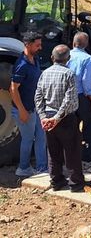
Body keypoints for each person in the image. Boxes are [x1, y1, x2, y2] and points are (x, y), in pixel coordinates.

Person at [35, 45, 90, 192]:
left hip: (48, 117)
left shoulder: (44, 73)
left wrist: (43, 117)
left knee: (53, 151)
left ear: (52, 58)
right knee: (72, 151)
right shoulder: (69, 74)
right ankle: (75, 182)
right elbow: (69, 100)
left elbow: (38, 96)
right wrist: (58, 118)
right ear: (68, 59)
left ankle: (56, 180)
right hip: (65, 118)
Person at [10, 32, 47, 177]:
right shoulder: (21, 65)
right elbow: (13, 89)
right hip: (25, 109)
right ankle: (23, 168)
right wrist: (22, 111)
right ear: (28, 45)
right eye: (37, 45)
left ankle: (42, 167)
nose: (40, 47)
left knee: (41, 136)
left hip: (35, 107)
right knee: (27, 139)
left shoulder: (35, 59)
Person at [67, 32, 91, 165]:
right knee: (90, 126)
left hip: (67, 96)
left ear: (74, 43)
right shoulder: (88, 59)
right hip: (82, 98)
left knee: (70, 127)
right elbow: (87, 83)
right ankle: (86, 156)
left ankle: (69, 155)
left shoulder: (65, 55)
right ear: (86, 44)